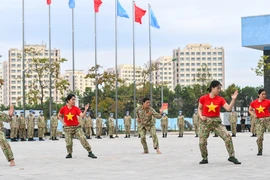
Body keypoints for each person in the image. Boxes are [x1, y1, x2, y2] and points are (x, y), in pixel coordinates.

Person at [198, 80, 241, 164]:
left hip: (216, 122)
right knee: (202, 142)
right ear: (212, 88)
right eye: (218, 88)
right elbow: (199, 108)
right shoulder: (203, 98)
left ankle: (232, 156)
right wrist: (200, 116)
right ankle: (204, 157)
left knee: (228, 137)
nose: (219, 90)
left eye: (220, 88)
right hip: (205, 122)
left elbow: (228, 108)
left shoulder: (220, 99)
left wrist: (233, 100)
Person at [58, 94, 97, 159]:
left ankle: (90, 152)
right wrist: (63, 122)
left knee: (82, 138)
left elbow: (81, 115)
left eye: (74, 100)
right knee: (69, 143)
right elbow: (59, 115)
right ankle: (69, 153)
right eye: (72, 99)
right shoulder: (63, 109)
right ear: (68, 100)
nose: (74, 101)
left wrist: (85, 110)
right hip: (67, 128)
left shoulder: (76, 109)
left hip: (76, 128)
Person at [249, 88, 270, 156]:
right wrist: (254, 115)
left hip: (267, 120)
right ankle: (260, 149)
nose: (264, 96)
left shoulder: (268, 101)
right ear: (259, 94)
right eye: (262, 94)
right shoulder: (254, 103)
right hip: (259, 120)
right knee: (260, 137)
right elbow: (250, 109)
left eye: (265, 94)